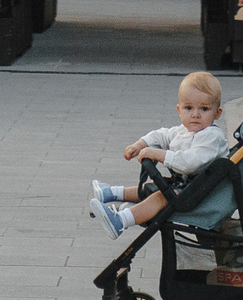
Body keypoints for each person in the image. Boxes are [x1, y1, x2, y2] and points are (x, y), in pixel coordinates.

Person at [88, 70, 230, 237]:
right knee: (152, 187)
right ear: (179, 110)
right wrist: (140, 144)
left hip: (205, 195)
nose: (195, 114)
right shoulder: (185, 130)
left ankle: (120, 221)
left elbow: (189, 162)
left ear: (217, 113)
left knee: (161, 197)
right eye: (188, 108)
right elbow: (162, 134)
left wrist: (158, 154)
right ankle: (111, 193)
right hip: (191, 187)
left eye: (204, 109)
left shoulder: (211, 137)